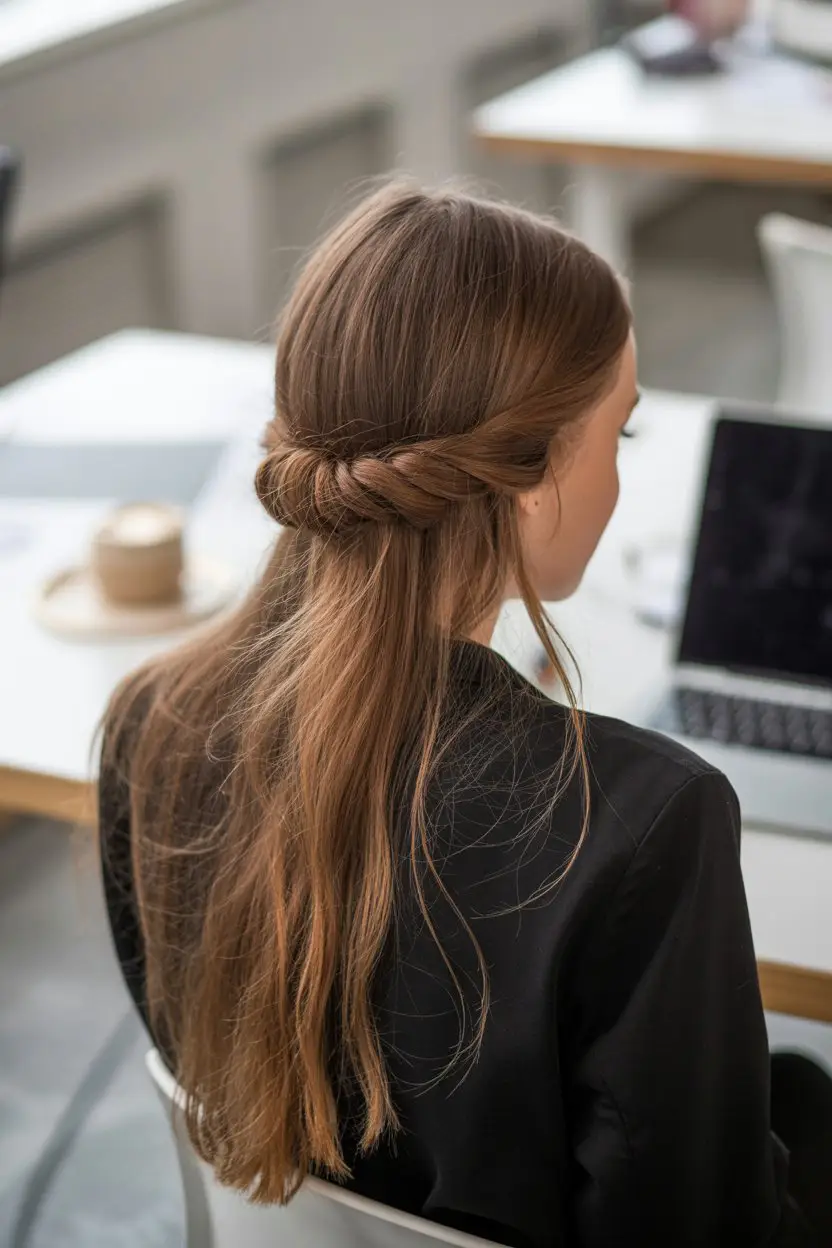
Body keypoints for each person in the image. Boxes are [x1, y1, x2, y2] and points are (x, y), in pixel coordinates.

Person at [98, 183, 817, 1247]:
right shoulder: (643, 826)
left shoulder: (147, 723)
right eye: (618, 431)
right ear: (528, 482)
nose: (619, 472)